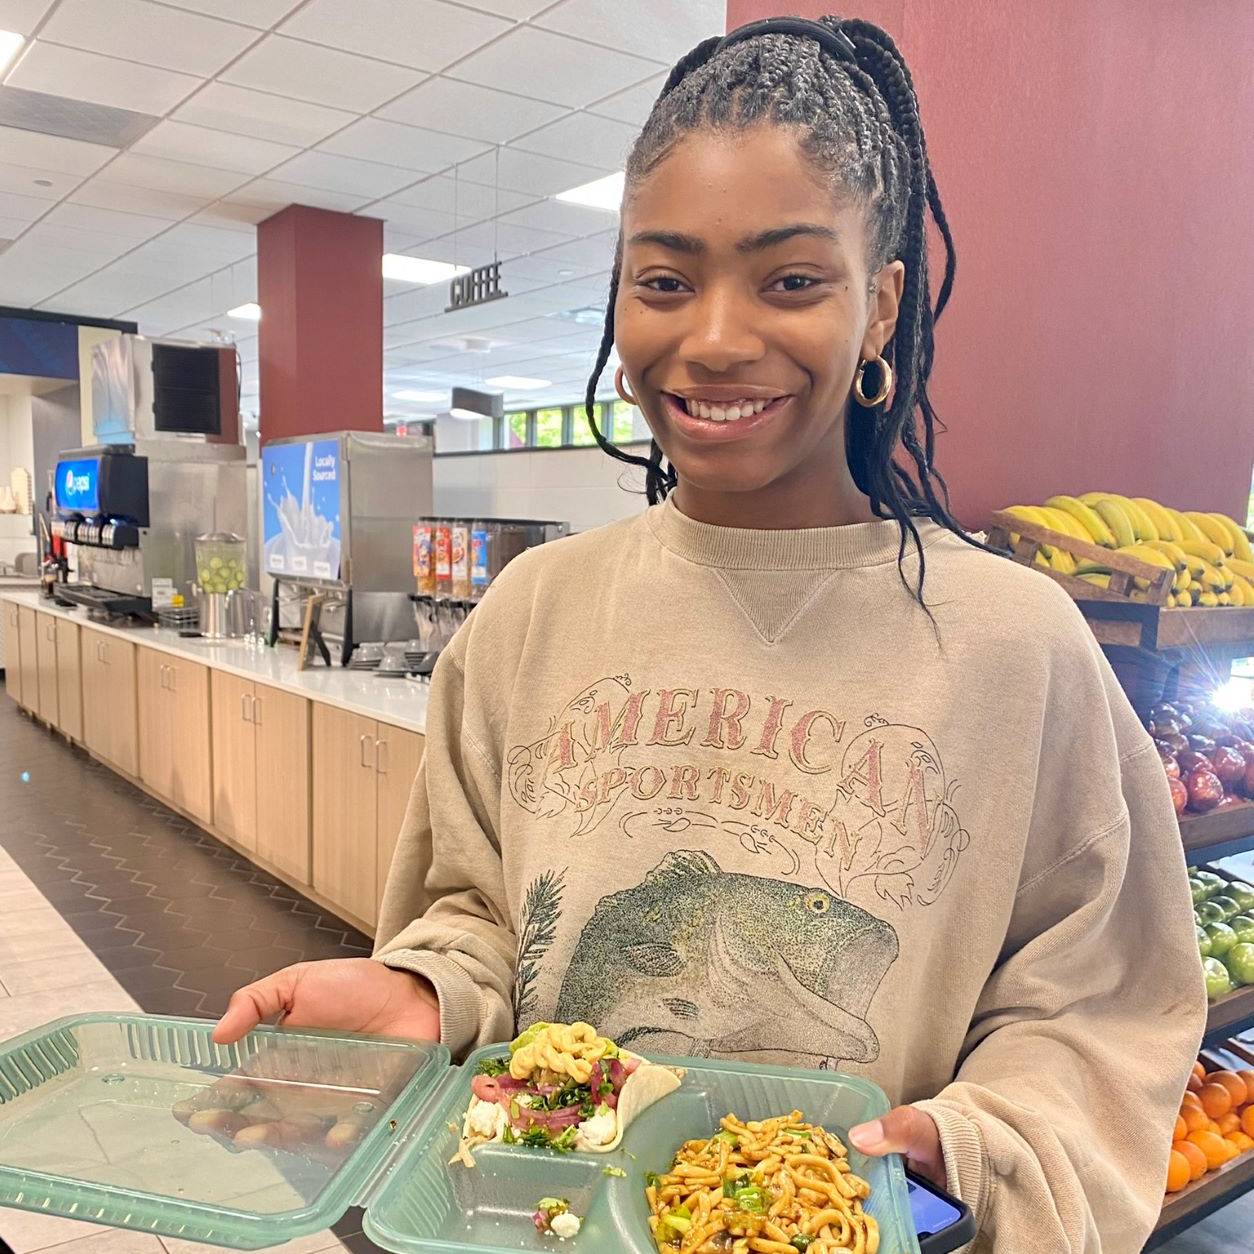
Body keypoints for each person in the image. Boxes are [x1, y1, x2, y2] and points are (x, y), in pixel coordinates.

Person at [214, 16, 1206, 1250]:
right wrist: (426, 990)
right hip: (545, 1221)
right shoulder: (532, 611)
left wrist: (972, 1151)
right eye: (665, 279)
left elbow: (1102, 1013)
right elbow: (480, 914)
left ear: (883, 304)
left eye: (792, 278)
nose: (717, 337)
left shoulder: (1021, 644)